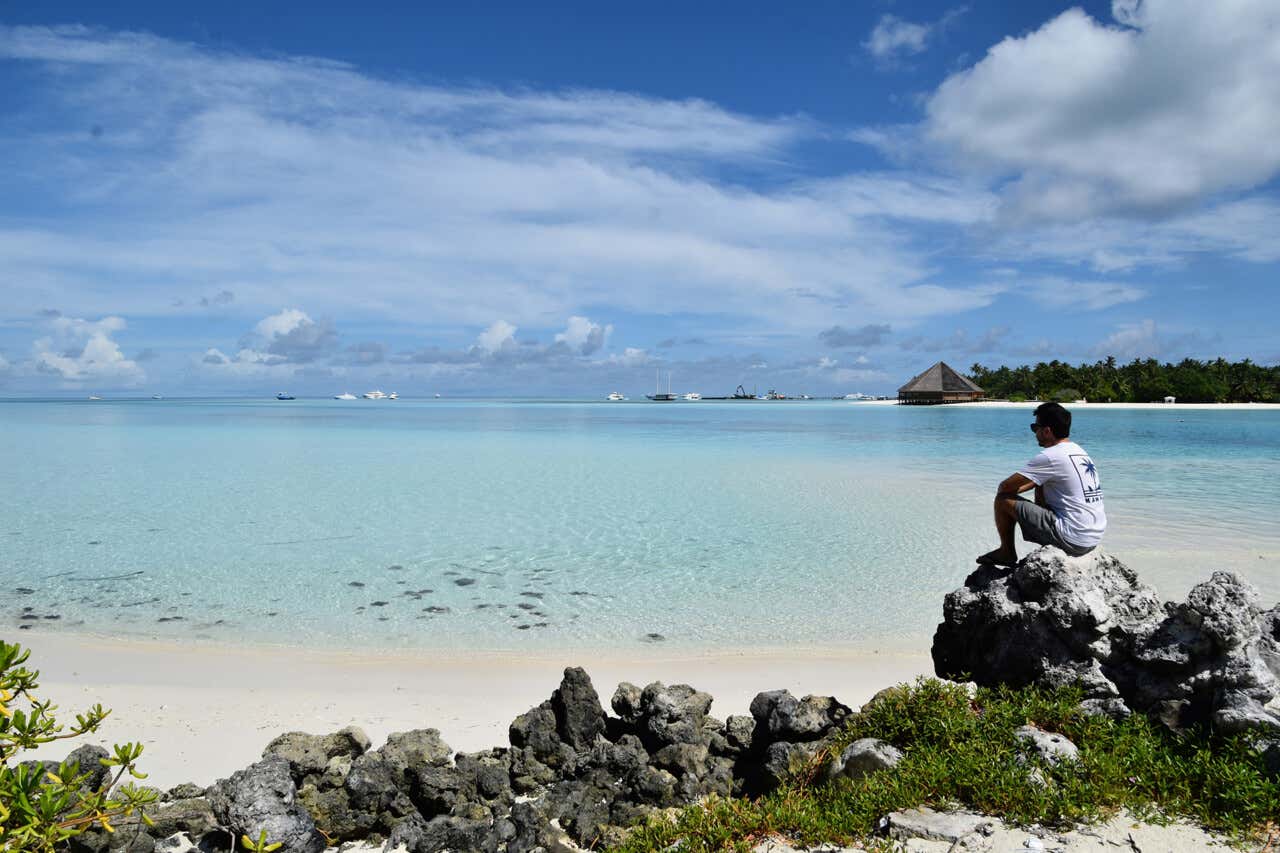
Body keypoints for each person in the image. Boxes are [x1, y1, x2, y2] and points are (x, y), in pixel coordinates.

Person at [977, 402, 1106, 567]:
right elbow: (1035, 482)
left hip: (1073, 540)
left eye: (1035, 428)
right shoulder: (1079, 451)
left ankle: (1006, 552)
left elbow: (1004, 487)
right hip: (1093, 538)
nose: (1034, 433)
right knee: (1040, 482)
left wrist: (1012, 496)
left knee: (1002, 499)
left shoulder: (1050, 456)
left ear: (1047, 431)